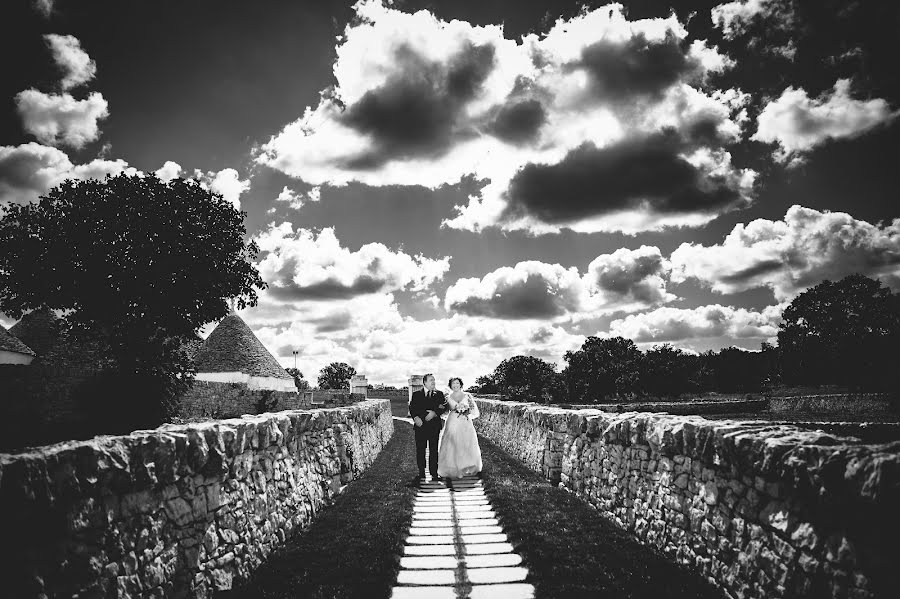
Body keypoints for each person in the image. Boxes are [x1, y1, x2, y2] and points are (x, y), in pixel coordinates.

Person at [437, 377, 482, 479]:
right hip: (452, 421)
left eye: (457, 383)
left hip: (465, 422)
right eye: (453, 384)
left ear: (461, 384)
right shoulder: (448, 397)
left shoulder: (467, 395)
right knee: (452, 443)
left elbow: (473, 410)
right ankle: (453, 467)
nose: (455, 385)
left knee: (466, 443)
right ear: (450, 385)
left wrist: (466, 411)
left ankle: (466, 466)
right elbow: (445, 411)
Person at [408, 373, 447, 480]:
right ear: (424, 382)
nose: (433, 382)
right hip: (420, 427)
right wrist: (416, 418)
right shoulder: (417, 394)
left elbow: (443, 406)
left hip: (434, 427)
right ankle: (421, 473)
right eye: (431, 380)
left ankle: (434, 473)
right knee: (420, 450)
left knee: (433, 450)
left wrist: (434, 413)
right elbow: (412, 407)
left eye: (434, 380)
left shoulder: (439, 394)